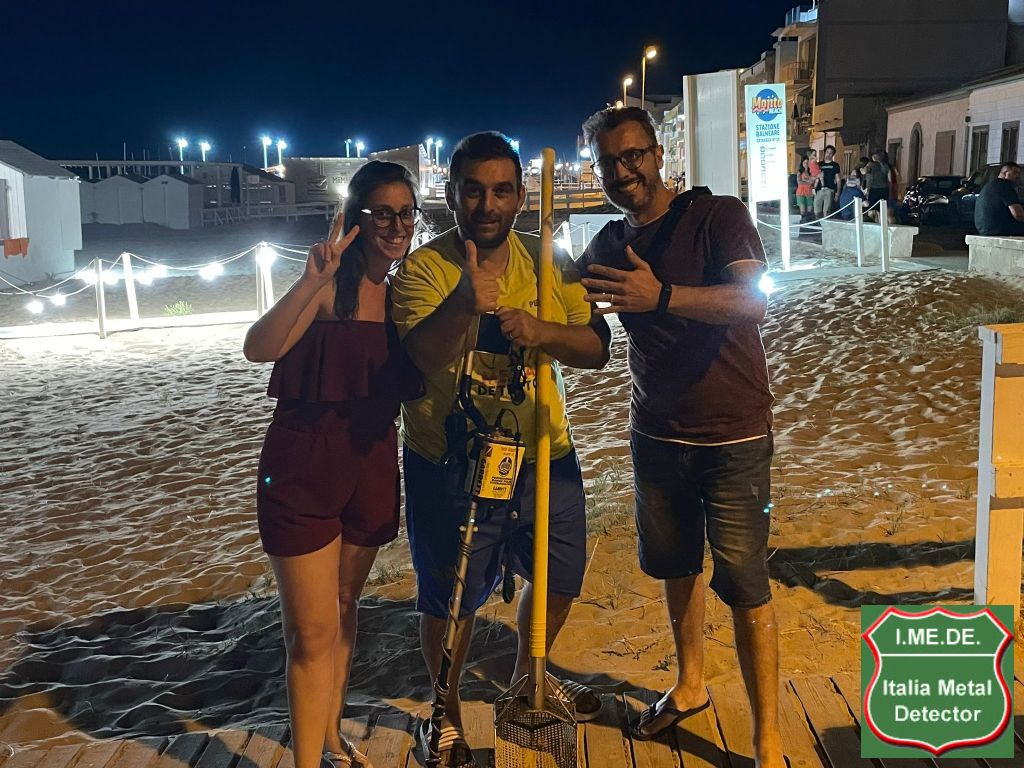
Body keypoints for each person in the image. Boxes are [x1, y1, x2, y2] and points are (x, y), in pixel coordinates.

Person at [390, 131, 611, 767]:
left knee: (559, 576)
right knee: (450, 597)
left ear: (520, 197)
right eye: (473, 191)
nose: (488, 205)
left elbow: (596, 348)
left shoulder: (549, 261)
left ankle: (525, 678)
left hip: (543, 450)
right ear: (451, 194)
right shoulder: (423, 271)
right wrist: (465, 302)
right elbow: (420, 357)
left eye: (502, 191)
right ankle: (447, 713)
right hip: (451, 461)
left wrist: (543, 330)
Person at [578, 106, 783, 768]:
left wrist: (662, 296)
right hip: (657, 436)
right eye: (609, 163)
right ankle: (691, 684)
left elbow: (753, 302)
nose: (623, 171)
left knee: (746, 584)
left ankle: (768, 741)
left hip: (734, 435)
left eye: (633, 155)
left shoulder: (717, 215)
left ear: (658, 154)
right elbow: (572, 313)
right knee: (676, 567)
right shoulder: (607, 246)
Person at [244, 161, 424, 768]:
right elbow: (259, 348)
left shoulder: (402, 297)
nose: (396, 227)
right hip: (302, 466)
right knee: (312, 632)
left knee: (346, 606)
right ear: (356, 219)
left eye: (406, 214)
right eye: (382, 214)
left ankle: (328, 737)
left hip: (370, 464)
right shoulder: (327, 287)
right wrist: (308, 281)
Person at [975, 161, 1024, 235]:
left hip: (984, 229)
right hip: (1000, 229)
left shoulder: (990, 185)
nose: (1017, 176)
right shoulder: (1005, 186)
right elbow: (1018, 215)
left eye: (1018, 173)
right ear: (1005, 173)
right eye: (1015, 172)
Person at [814, 145, 842, 219]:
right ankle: (818, 223)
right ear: (824, 153)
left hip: (830, 189)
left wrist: (838, 192)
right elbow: (815, 177)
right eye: (827, 152)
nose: (828, 154)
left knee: (826, 210)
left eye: (830, 153)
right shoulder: (819, 164)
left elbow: (838, 179)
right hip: (819, 189)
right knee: (816, 208)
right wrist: (814, 187)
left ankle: (825, 224)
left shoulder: (835, 165)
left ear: (833, 155)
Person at [795, 156, 814, 221]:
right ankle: (802, 223)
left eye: (807, 163)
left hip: (809, 192)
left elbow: (813, 182)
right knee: (802, 212)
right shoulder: (800, 171)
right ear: (802, 163)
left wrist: (806, 181)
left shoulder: (810, 171)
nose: (806, 164)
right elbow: (799, 182)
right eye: (805, 163)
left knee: (809, 212)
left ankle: (808, 224)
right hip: (801, 192)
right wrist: (808, 181)